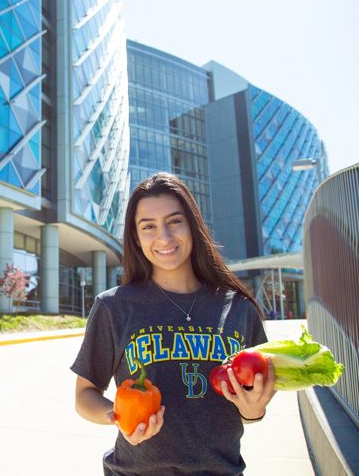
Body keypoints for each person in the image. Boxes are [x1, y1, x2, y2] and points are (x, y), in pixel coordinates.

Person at [71, 172, 276, 475]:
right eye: (148, 226)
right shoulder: (114, 306)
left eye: (175, 221)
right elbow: (84, 395)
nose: (164, 237)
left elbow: (249, 404)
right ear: (137, 239)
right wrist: (117, 416)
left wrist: (254, 410)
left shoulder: (239, 309)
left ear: (193, 226)